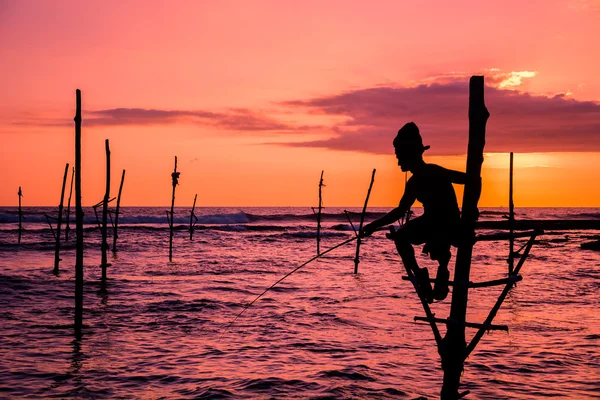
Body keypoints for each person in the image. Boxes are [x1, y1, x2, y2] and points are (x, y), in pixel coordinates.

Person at [361, 122, 474, 303]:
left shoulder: (435, 172)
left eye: (400, 157)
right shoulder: (413, 183)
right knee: (401, 237)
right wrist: (373, 226)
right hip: (432, 223)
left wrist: (472, 211)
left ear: (409, 155)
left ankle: (441, 270)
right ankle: (423, 273)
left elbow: (472, 179)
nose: (398, 162)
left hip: (447, 224)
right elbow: (400, 211)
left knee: (412, 239)